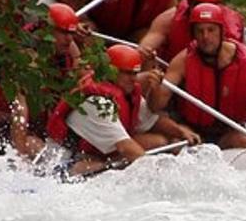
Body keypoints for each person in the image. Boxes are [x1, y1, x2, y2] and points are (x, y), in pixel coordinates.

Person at [47, 44, 199, 176]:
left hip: (99, 152)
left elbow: (152, 121)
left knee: (159, 142)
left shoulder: (127, 93)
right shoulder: (97, 103)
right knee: (105, 166)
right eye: (127, 73)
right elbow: (126, 148)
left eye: (135, 73)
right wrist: (156, 176)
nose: (133, 78)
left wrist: (181, 132)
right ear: (111, 72)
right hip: (68, 161)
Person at [151, 2, 246, 154]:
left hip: (228, 130)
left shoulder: (245, 62)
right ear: (194, 34)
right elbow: (156, 106)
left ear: (222, 32)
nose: (205, 37)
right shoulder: (183, 61)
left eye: (211, 30)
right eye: (200, 31)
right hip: (191, 129)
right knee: (176, 145)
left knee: (244, 143)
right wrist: (155, 88)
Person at [0, 3, 84, 157]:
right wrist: (21, 154)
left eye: (71, 33)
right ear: (46, 30)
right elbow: (19, 107)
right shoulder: (25, 57)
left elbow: (80, 71)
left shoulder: (66, 45)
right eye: (63, 32)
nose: (69, 39)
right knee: (36, 148)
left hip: (32, 123)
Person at [139, 0, 246, 63]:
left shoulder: (232, 25)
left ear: (219, 5)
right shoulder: (168, 20)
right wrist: (143, 52)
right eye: (199, 5)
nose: (205, 10)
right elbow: (145, 48)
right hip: (175, 74)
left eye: (210, 5)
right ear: (189, 3)